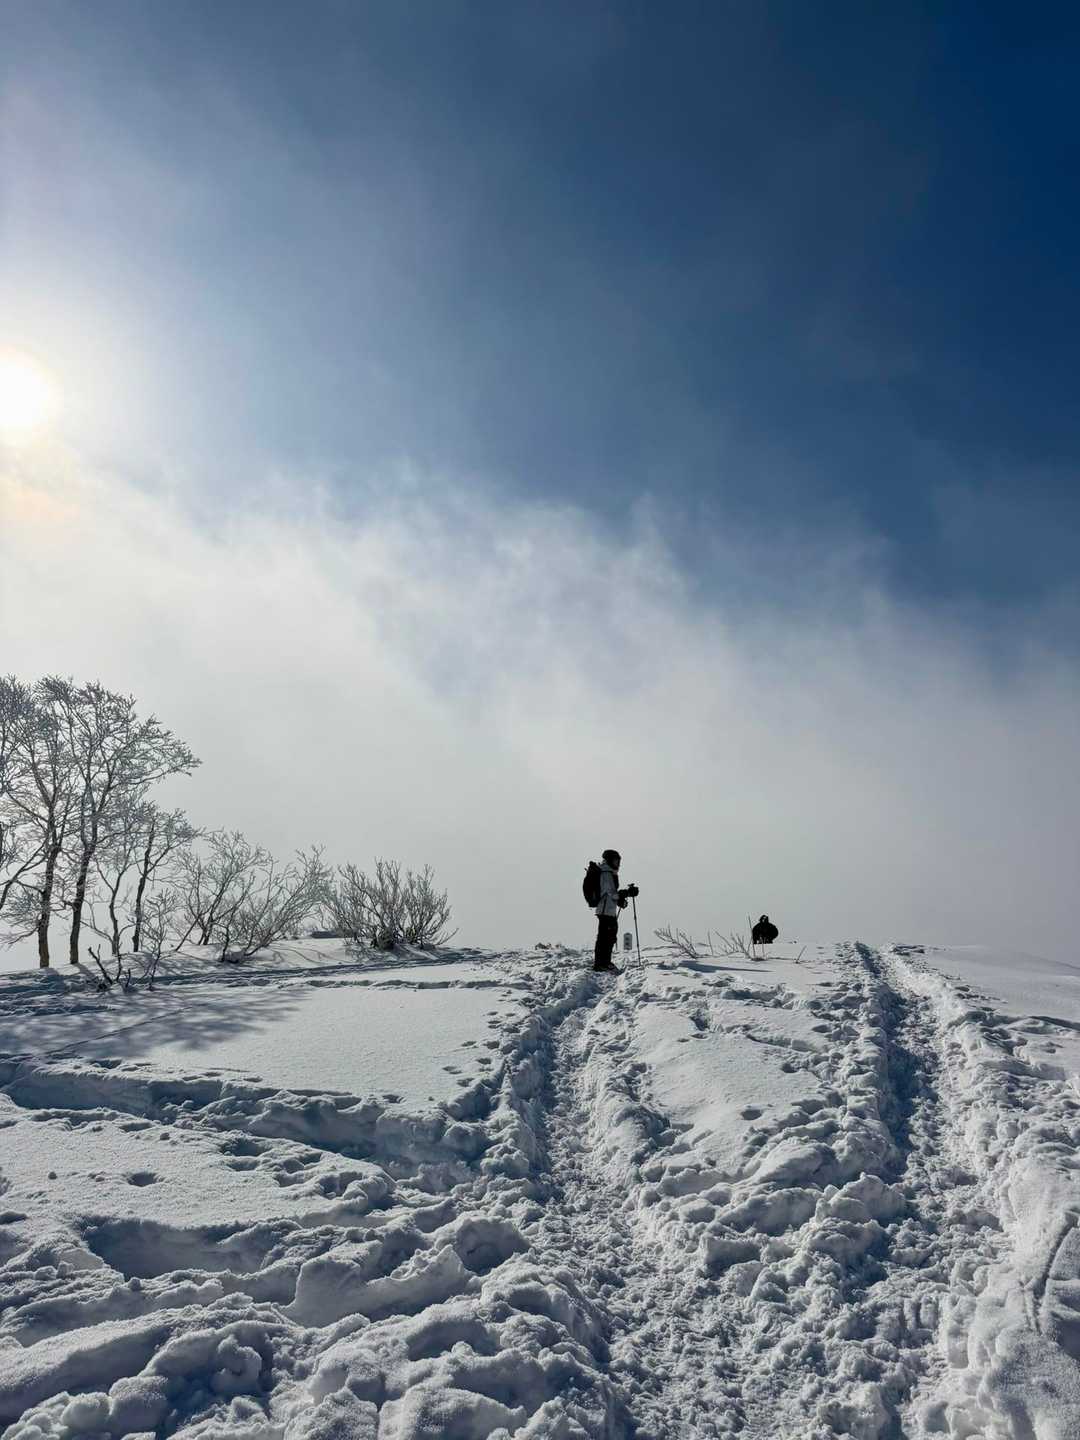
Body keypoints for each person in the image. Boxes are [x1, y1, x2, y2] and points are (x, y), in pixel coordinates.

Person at [593, 849, 638, 972]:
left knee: (609, 936)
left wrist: (621, 899)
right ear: (609, 860)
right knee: (605, 937)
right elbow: (611, 893)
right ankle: (601, 964)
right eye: (615, 861)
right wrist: (626, 893)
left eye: (618, 861)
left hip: (607, 909)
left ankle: (604, 962)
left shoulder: (609, 872)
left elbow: (610, 894)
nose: (618, 864)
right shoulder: (606, 873)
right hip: (605, 910)